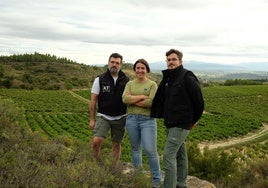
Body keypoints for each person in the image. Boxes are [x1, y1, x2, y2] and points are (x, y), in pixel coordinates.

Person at [151, 49, 204, 188]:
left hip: (181, 123)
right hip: (171, 123)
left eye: (174, 59)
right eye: (168, 60)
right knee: (181, 155)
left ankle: (169, 186)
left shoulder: (186, 77)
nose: (171, 62)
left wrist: (193, 120)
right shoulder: (170, 77)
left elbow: (199, 101)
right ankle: (181, 183)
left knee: (168, 156)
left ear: (180, 61)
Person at [122, 59, 162, 188]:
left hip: (147, 120)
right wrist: (142, 97)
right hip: (131, 119)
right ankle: (138, 176)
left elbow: (151, 103)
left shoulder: (152, 84)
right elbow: (124, 99)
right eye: (137, 68)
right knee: (135, 149)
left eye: (142, 68)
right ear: (135, 70)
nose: (140, 70)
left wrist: (133, 99)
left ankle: (156, 180)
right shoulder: (129, 84)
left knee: (151, 150)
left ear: (147, 70)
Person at [89, 52, 129, 167]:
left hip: (120, 117)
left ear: (121, 65)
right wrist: (92, 119)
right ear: (108, 63)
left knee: (116, 144)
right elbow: (93, 101)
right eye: (112, 62)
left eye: (117, 63)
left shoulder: (126, 80)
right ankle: (95, 164)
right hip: (103, 116)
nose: (114, 65)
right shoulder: (100, 79)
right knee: (96, 141)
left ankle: (113, 166)